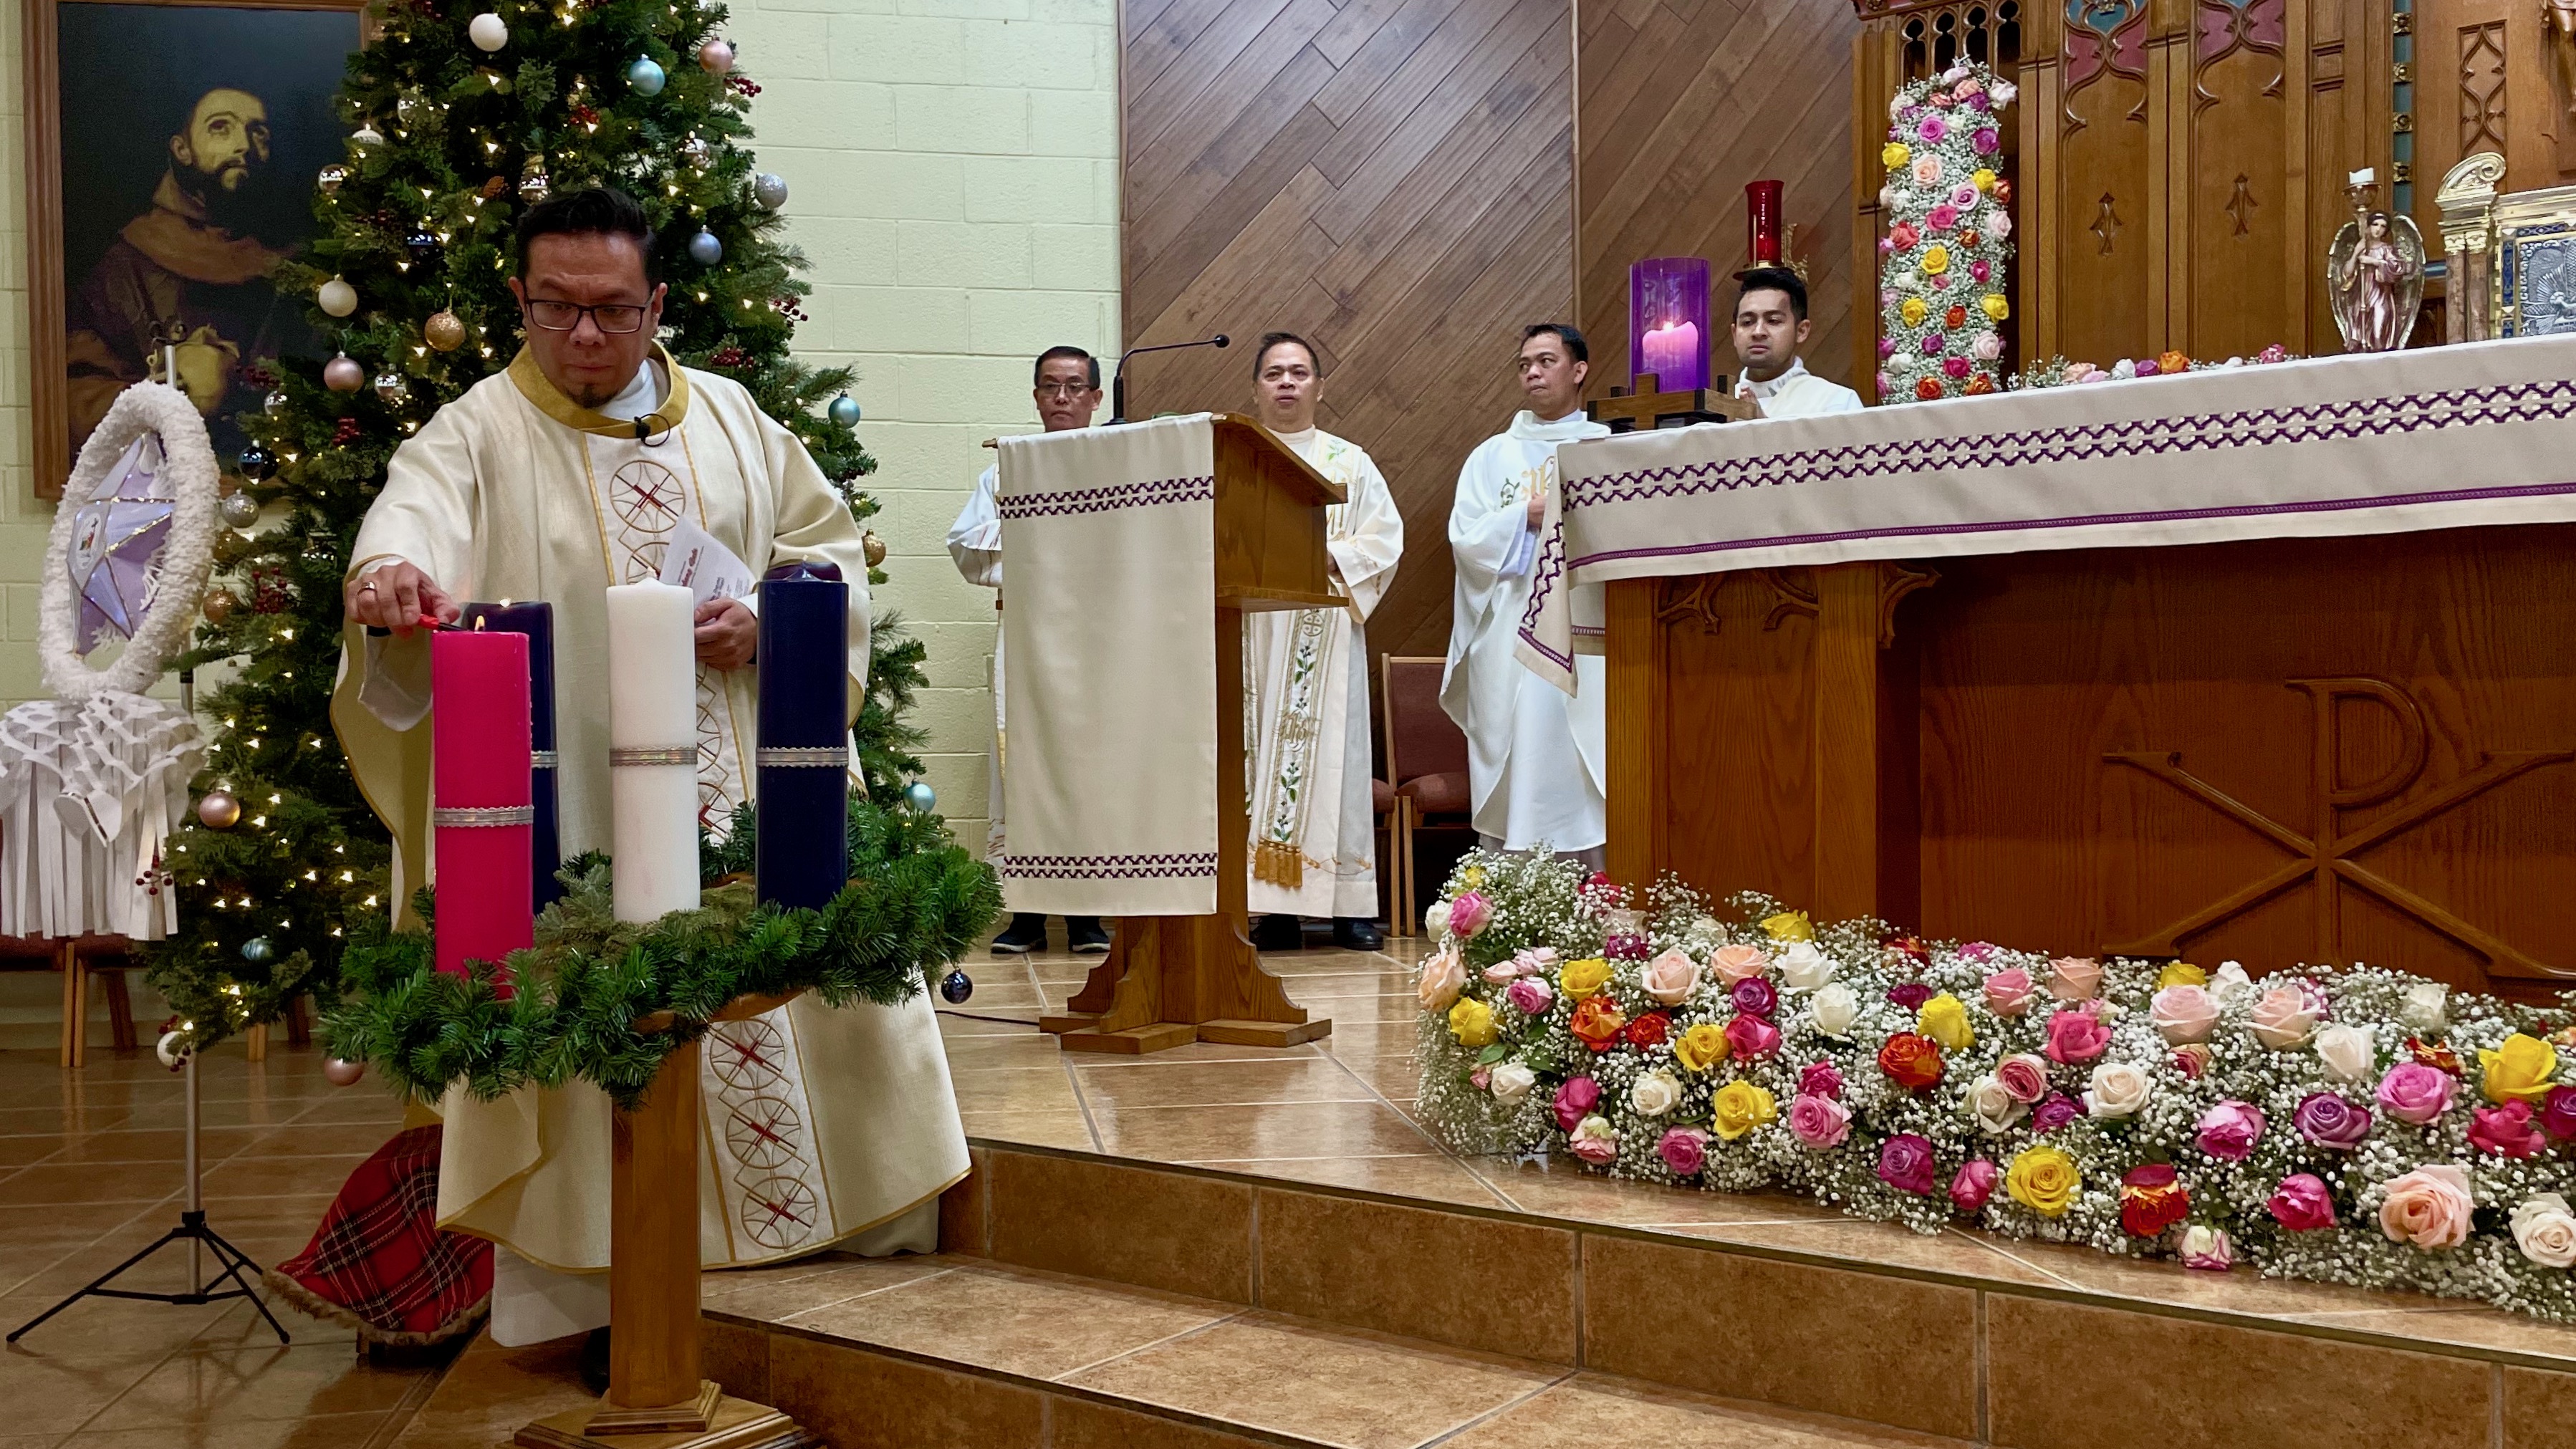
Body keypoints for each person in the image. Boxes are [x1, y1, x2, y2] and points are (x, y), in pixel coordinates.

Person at [327, 186, 966, 1352]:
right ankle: (589, 1279)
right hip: (579, 813)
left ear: (656, 302)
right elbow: (409, 514)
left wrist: (771, 626)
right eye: (555, 308)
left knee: (802, 959)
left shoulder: (734, 421)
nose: (581, 335)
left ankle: (852, 1230)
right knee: (585, 1017)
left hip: (747, 800)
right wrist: (389, 579)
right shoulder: (476, 429)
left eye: (610, 310)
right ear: (521, 300)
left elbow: (824, 555)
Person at [948, 347, 1112, 955]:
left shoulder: (1119, 470)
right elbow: (967, 545)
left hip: (1101, 646)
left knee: (1092, 773)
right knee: (1023, 770)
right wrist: (1046, 531)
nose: (1063, 398)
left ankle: (1090, 916)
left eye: (1075, 387)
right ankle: (1027, 912)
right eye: (1051, 387)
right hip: (1026, 642)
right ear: (1036, 397)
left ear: (1098, 398)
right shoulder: (1003, 473)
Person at [1243, 334, 1403, 952]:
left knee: (1338, 765)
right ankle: (1271, 908)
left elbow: (1383, 540)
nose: (1286, 382)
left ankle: (1349, 906)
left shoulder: (1349, 462)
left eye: (1299, 372)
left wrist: (1316, 553)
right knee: (1257, 764)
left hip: (1326, 634)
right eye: (1274, 372)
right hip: (1253, 633)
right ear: (1256, 386)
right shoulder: (1236, 457)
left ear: (1319, 386)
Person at [1441, 325, 1610, 869]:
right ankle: (1514, 893)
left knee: (1582, 760)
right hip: (1510, 634)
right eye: (1524, 365)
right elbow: (1466, 538)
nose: (1532, 373)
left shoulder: (1608, 448)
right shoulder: (1491, 456)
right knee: (1518, 757)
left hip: (1586, 634)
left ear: (1578, 370)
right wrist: (1525, 516)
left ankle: (1597, 890)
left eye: (1545, 361)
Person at [68, 86, 309, 458]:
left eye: (258, 132)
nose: (243, 145)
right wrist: (170, 391)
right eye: (220, 128)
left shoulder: (297, 268)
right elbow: (72, 396)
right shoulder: (124, 267)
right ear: (182, 150)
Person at [1729, 267, 1864, 418]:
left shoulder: (1837, 403)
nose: (1758, 332)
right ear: (1734, 334)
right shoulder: (1717, 406)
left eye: (1773, 321)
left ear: (1801, 331)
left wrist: (1764, 430)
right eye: (1747, 322)